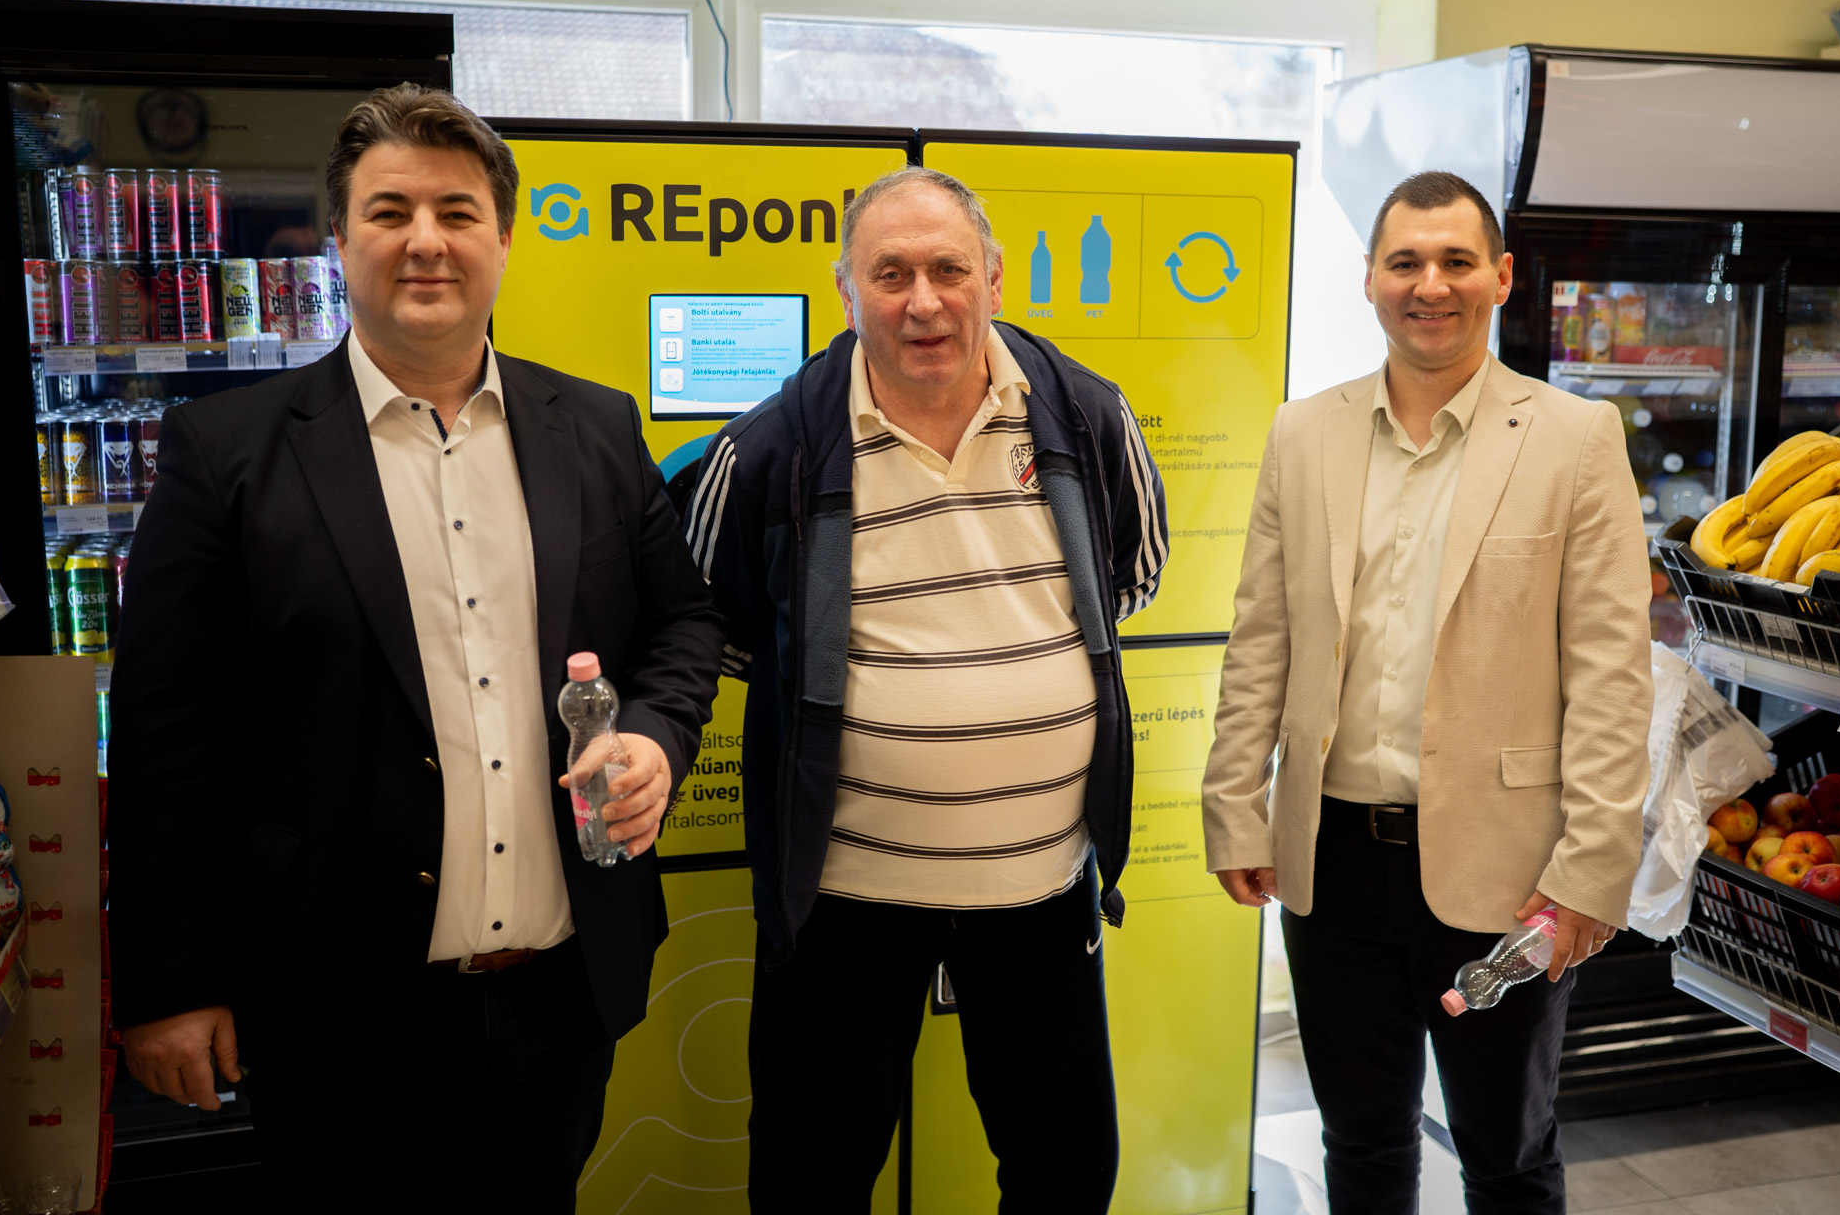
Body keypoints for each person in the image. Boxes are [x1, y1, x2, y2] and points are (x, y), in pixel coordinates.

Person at [108, 84, 724, 1211]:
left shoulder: (595, 425)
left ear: (504, 239)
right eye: (390, 212)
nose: (426, 241)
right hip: (332, 1003)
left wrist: (653, 737)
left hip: (562, 990)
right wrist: (171, 982)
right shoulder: (225, 451)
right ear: (339, 241)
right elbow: (163, 735)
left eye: (457, 211)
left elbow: (684, 620)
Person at [681, 165, 1167, 1212]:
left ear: (994, 277)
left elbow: (1132, 574)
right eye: (890, 273)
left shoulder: (1085, 416)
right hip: (843, 898)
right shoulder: (772, 444)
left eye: (948, 269)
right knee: (811, 1179)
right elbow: (708, 619)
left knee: (1067, 1172)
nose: (923, 301)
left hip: (1043, 887)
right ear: (845, 290)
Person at [1200, 171, 1652, 1213]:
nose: (1430, 285)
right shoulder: (1302, 433)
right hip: (1334, 860)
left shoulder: (1575, 437)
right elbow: (1261, 635)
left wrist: (1591, 868)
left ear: (1501, 276)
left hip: (1509, 868)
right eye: (1405, 262)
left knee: (1507, 1156)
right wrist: (1236, 806)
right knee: (1359, 1142)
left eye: (1456, 261)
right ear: (1369, 278)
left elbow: (1611, 673)